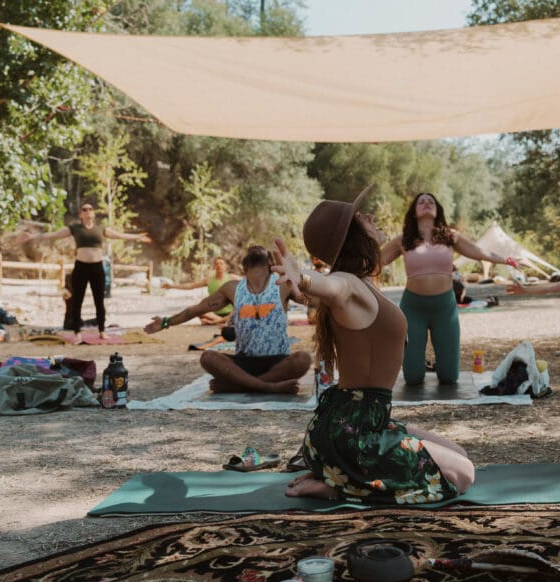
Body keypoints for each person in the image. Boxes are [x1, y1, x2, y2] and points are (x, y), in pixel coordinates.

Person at [271, 185, 475, 503]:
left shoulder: (363, 282)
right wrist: (304, 277)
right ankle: (342, 486)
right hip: (354, 434)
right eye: (360, 217)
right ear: (353, 236)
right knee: (462, 475)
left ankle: (340, 474)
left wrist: (307, 282)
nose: (370, 216)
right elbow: (332, 287)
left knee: (458, 454)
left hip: (353, 424)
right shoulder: (348, 282)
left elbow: (331, 288)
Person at [380, 192, 518, 385]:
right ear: (414, 211)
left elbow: (480, 252)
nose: (427, 203)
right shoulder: (402, 240)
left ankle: (439, 364)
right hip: (413, 307)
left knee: (449, 377)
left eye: (431, 201)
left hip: (444, 308)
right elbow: (374, 262)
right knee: (412, 378)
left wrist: (507, 259)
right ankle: (419, 364)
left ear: (437, 211)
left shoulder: (450, 236)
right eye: (421, 202)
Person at [145, 245, 311, 394]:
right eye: (251, 251)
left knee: (303, 359)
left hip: (278, 362)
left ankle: (241, 385)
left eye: (259, 251)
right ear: (244, 266)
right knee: (208, 357)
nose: (255, 249)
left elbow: (314, 301)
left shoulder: (283, 285)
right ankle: (267, 386)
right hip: (243, 363)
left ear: (270, 264)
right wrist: (166, 322)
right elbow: (196, 310)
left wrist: (300, 278)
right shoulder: (232, 288)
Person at [18, 201, 152, 342]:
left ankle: (102, 330)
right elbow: (54, 235)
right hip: (81, 267)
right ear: (80, 214)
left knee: (99, 301)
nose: (88, 211)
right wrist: (33, 237)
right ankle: (77, 332)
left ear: (93, 213)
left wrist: (136, 237)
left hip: (97, 268)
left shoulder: (101, 229)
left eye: (90, 209)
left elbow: (120, 235)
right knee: (77, 301)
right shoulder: (75, 228)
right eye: (84, 209)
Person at [161, 256, 240, 325]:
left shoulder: (232, 277)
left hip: (230, 313)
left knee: (239, 312)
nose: (219, 266)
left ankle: (215, 321)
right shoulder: (209, 280)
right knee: (197, 311)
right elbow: (191, 286)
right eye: (217, 264)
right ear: (214, 266)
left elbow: (248, 281)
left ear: (225, 266)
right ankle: (220, 321)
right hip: (213, 313)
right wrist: (172, 286)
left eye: (221, 263)